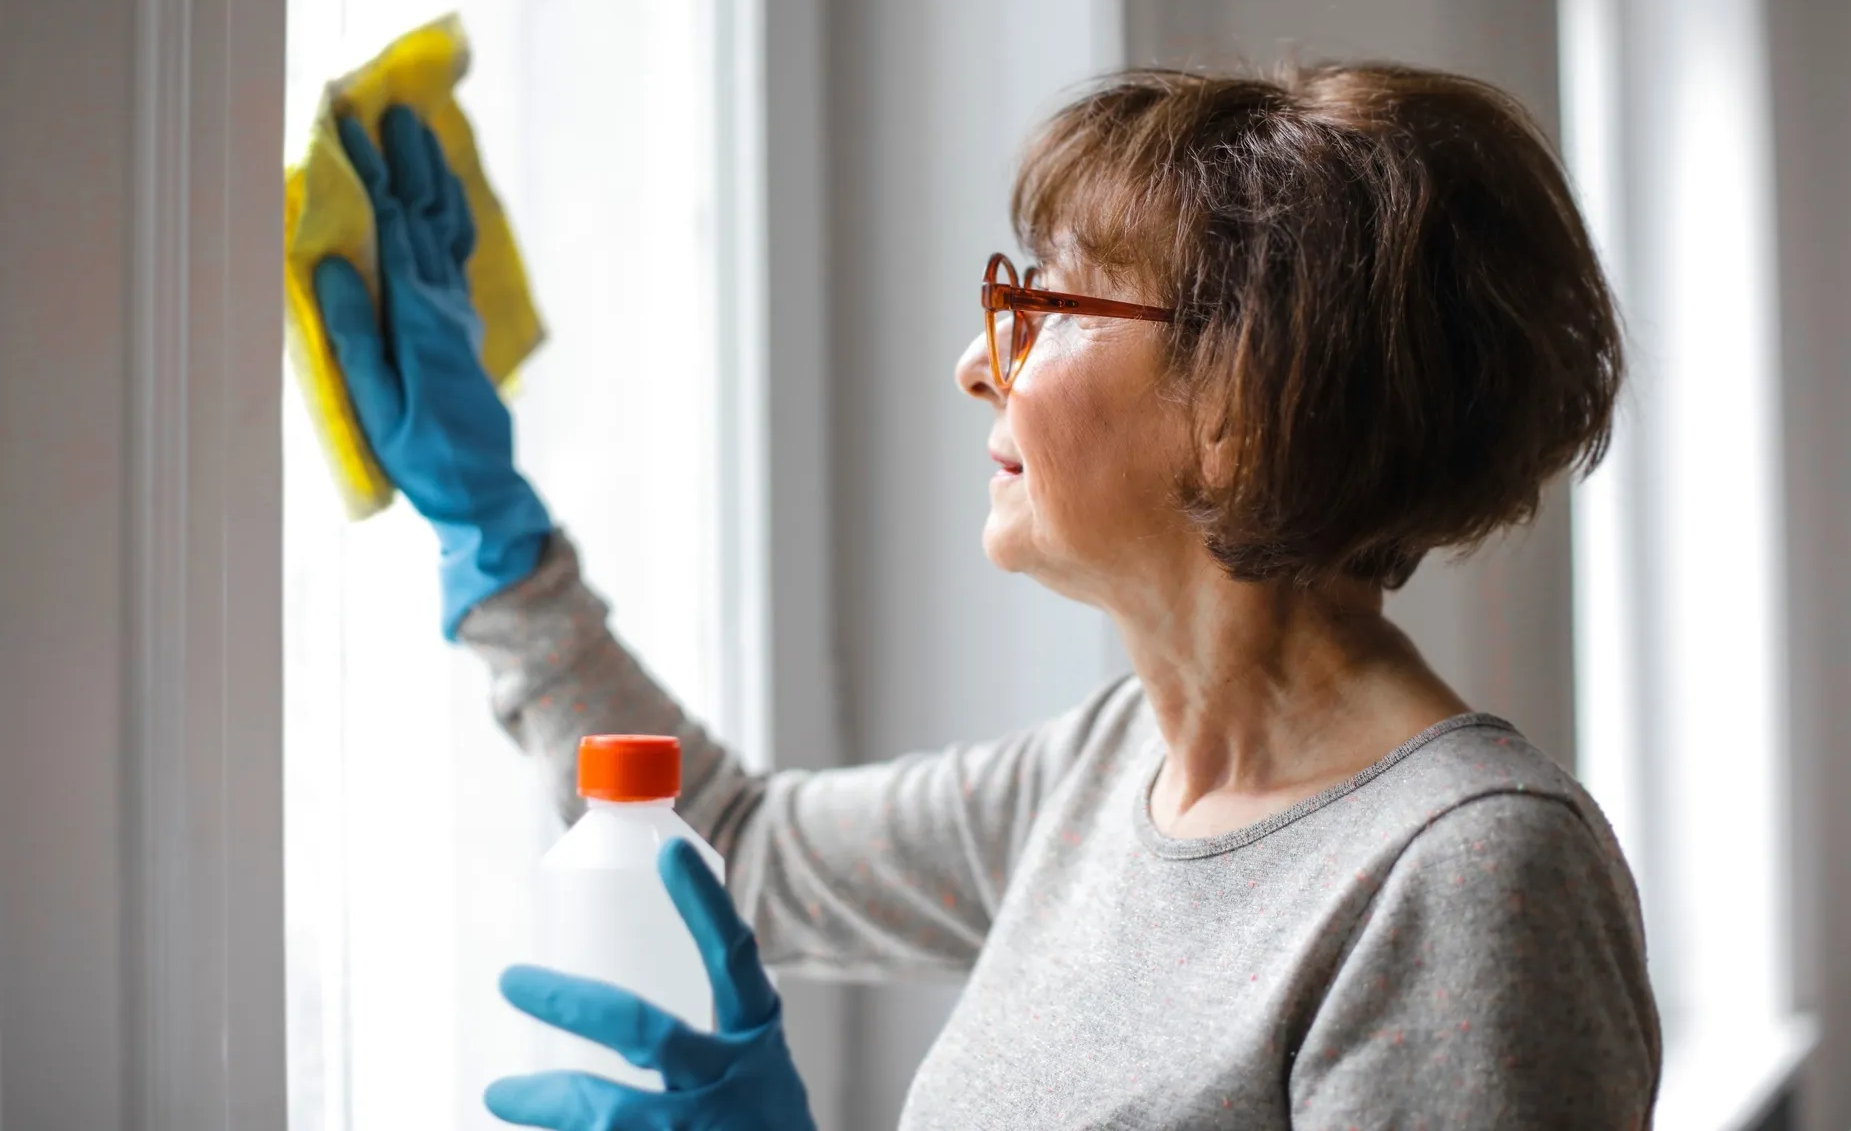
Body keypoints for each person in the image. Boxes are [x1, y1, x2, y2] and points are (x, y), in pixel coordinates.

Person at [314, 64, 1660, 1130]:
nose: (976, 362)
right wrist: (491, 531)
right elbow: (737, 848)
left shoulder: (1467, 878)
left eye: (1049, 304)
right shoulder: (1102, 776)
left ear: (1242, 404)